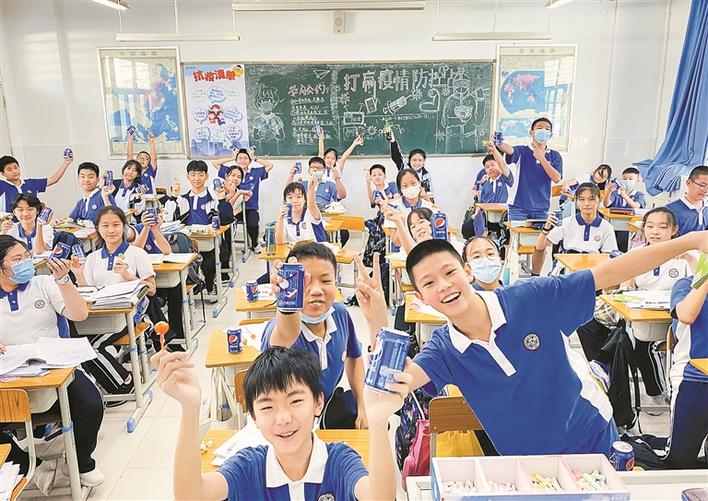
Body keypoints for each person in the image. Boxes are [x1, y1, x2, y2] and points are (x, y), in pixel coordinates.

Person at [354, 230, 708, 457]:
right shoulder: (445, 350)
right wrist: (376, 321)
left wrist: (690, 241)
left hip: (591, 440)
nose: (444, 286)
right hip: (526, 466)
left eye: (449, 272)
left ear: (467, 270)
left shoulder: (531, 297)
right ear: (421, 298)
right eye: (429, 283)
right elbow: (391, 387)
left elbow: (610, 272)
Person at [152, 346, 407, 500]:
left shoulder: (339, 461)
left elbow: (380, 498)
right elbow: (190, 496)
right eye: (267, 407)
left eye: (295, 401)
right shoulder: (248, 467)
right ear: (254, 417)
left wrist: (377, 421)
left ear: (318, 402)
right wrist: (190, 408)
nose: (283, 418)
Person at [0, 235, 104, 492]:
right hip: (10, 374)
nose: (26, 262)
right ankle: (27, 466)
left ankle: (81, 463)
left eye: (26, 256)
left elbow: (79, 314)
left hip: (55, 368)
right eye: (17, 259)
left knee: (91, 403)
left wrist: (63, 280)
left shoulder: (43, 283)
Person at [577, 208, 694, 404]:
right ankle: (605, 371)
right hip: (638, 312)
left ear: (674, 230)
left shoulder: (684, 257)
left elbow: (692, 289)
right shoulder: (636, 254)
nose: (655, 232)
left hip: (668, 318)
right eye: (650, 226)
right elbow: (627, 286)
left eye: (662, 227)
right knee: (586, 322)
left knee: (640, 344)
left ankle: (657, 391)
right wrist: (628, 287)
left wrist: (689, 258)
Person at [263, 243, 366, 429]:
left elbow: (355, 357)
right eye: (305, 282)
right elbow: (284, 336)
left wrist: (362, 403)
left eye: (326, 281)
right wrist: (287, 306)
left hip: (324, 408)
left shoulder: (340, 314)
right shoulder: (280, 328)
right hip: (287, 421)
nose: (316, 290)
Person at [71, 206, 157, 395]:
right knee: (77, 344)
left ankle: (125, 383)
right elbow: (89, 291)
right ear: (98, 228)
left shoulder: (137, 253)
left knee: (92, 346)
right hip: (99, 315)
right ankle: (105, 380)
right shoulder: (92, 258)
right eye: (105, 225)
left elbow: (152, 289)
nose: (111, 230)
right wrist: (78, 274)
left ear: (124, 226)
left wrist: (128, 276)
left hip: (128, 316)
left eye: (116, 225)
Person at [164, 160, 234, 295]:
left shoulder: (213, 197)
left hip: (208, 240)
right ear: (188, 177)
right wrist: (173, 196)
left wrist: (221, 199)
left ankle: (210, 285)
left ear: (206, 176)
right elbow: (168, 218)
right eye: (193, 175)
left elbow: (227, 219)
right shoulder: (183, 199)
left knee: (208, 262)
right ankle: (192, 285)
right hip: (187, 240)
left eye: (200, 175)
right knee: (180, 260)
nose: (197, 178)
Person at [667, 273, 708, 468]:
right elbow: (687, 315)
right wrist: (704, 279)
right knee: (679, 460)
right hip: (691, 378)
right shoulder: (686, 285)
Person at [532, 183, 617, 275]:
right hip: (565, 270)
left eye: (592, 199)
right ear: (576, 201)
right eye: (581, 199)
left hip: (591, 271)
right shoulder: (566, 222)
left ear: (599, 200)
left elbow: (608, 257)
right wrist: (547, 226)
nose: (587, 203)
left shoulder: (606, 227)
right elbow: (540, 246)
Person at [497, 117, 563, 225]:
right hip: (518, 207)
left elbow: (556, 178)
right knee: (516, 234)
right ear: (531, 132)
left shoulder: (555, 155)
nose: (543, 131)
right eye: (539, 128)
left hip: (541, 208)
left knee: (540, 235)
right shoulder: (523, 150)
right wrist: (499, 143)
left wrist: (541, 158)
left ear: (550, 134)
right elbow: (510, 150)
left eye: (547, 129)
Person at [213, 148, 273, 253]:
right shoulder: (231, 172)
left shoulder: (255, 172)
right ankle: (227, 250)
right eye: (240, 158)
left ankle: (254, 244)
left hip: (250, 208)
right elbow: (215, 163)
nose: (242, 160)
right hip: (233, 209)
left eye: (245, 158)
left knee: (252, 224)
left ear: (249, 160)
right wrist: (232, 157)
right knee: (228, 224)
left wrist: (254, 157)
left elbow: (270, 165)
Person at [0, 152, 74, 212]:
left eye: (16, 167)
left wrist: (66, 163)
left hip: (33, 223)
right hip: (11, 224)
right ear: (2, 173)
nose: (14, 171)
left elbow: (53, 179)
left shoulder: (31, 183)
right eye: (9, 169)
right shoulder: (2, 185)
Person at [385, 168, 435, 249]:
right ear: (400, 189)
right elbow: (397, 243)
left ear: (419, 183)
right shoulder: (393, 208)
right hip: (404, 252)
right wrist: (400, 222)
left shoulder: (430, 207)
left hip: (428, 249)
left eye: (413, 183)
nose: (410, 187)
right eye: (405, 186)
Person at [665, 165, 708, 235]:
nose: (706, 190)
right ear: (689, 183)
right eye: (702, 185)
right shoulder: (670, 210)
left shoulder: (706, 208)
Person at [388, 130, 433, 196]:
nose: (417, 163)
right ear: (409, 160)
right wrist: (393, 142)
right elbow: (396, 156)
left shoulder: (426, 175)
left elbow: (430, 192)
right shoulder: (404, 168)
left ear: (424, 161)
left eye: (420, 160)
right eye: (414, 160)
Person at [126, 129, 158, 194]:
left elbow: (154, 159)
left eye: (146, 158)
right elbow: (129, 155)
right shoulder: (132, 171)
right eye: (140, 157)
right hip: (134, 198)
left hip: (149, 198)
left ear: (149, 163)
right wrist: (130, 138)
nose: (142, 159)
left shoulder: (150, 171)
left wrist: (151, 142)